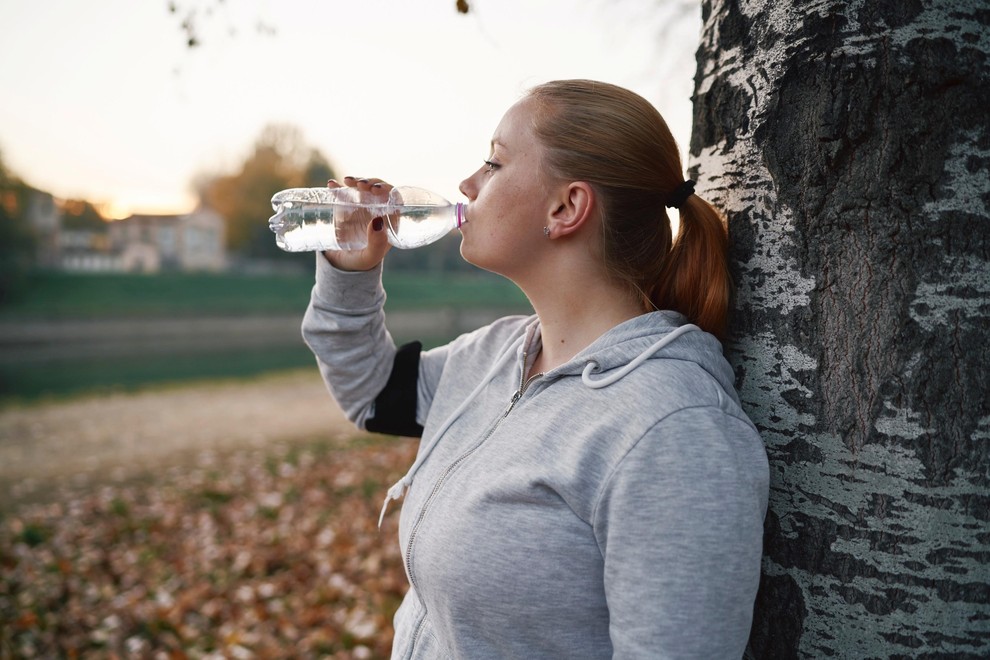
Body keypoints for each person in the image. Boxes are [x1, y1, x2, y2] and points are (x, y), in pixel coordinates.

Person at [301, 79, 769, 659]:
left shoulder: (674, 432)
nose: (467, 185)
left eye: (494, 163)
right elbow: (374, 394)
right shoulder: (500, 355)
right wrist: (350, 274)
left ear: (567, 207)